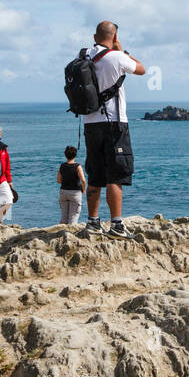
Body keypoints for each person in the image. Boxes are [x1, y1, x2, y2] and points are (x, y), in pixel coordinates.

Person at [83, 20, 147, 238]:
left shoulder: (84, 56)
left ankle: (92, 222)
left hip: (89, 123)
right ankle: (117, 225)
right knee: (115, 175)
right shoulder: (117, 57)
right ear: (114, 37)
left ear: (95, 37)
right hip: (114, 123)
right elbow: (141, 69)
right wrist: (123, 50)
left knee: (94, 173)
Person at [57, 145, 87, 225]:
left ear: (65, 155)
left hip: (63, 192)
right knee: (73, 218)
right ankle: (69, 236)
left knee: (63, 218)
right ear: (75, 155)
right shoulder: (78, 166)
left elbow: (58, 180)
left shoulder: (62, 166)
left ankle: (60, 234)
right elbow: (83, 181)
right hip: (75, 193)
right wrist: (83, 190)